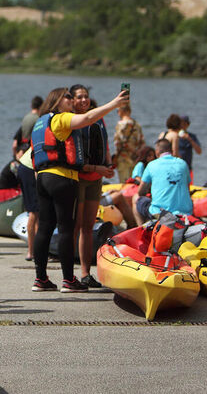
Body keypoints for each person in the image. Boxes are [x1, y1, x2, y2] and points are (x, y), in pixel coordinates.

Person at [31, 86, 128, 293]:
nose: (70, 101)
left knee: (45, 228)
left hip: (43, 178)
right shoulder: (60, 118)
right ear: (57, 101)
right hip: (62, 178)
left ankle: (40, 279)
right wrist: (114, 104)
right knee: (66, 229)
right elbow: (86, 119)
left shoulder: (40, 122)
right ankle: (69, 280)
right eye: (67, 97)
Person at [70, 86, 112, 289]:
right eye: (80, 97)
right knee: (75, 226)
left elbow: (106, 144)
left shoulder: (98, 118)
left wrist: (109, 164)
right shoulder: (69, 120)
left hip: (96, 177)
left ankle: (86, 273)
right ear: (72, 100)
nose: (84, 100)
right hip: (77, 177)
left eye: (86, 96)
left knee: (88, 227)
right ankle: (69, 275)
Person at [136, 138, 193, 219]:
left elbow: (140, 192)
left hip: (160, 212)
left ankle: (142, 228)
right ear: (171, 150)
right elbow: (187, 189)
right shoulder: (183, 163)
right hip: (185, 212)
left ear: (157, 151)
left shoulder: (151, 165)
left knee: (136, 198)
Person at [112, 102, 144, 183]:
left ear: (121, 111)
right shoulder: (137, 124)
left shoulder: (120, 124)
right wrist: (136, 152)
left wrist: (115, 157)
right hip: (135, 158)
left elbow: (118, 143)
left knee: (124, 183)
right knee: (134, 183)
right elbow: (142, 142)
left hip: (123, 159)